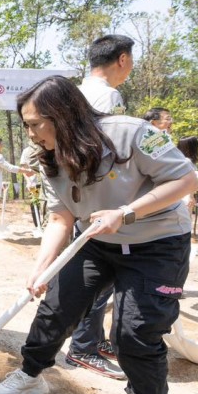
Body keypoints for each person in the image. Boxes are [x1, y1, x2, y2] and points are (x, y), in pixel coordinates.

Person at [0, 75, 198, 394]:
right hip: (96, 243)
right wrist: (41, 268)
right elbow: (60, 219)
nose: (32, 133)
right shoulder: (50, 160)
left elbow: (187, 179)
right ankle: (31, 375)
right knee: (55, 307)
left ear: (64, 114)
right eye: (27, 126)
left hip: (158, 245)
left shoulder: (132, 134)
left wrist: (126, 212)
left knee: (134, 331)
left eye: (37, 123)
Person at [69, 34, 137, 376]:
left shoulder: (76, 94)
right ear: (122, 59)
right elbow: (113, 151)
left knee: (96, 276)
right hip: (104, 200)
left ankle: (91, 341)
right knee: (100, 277)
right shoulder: (109, 96)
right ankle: (83, 347)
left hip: (80, 197)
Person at [77, 34, 135, 114]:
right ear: (122, 60)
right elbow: (115, 126)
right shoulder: (111, 95)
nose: (132, 66)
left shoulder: (74, 92)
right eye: (132, 60)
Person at [19, 141, 45, 235]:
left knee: (46, 205)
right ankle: (38, 226)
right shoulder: (27, 151)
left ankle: (46, 226)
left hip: (45, 183)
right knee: (35, 205)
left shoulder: (47, 147)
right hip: (34, 183)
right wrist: (28, 181)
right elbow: (24, 167)